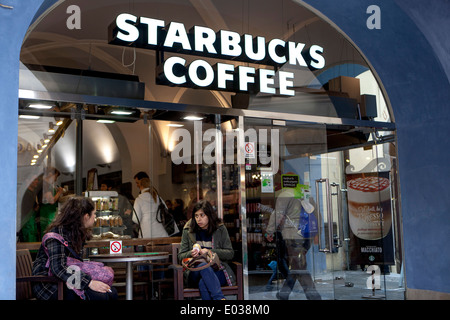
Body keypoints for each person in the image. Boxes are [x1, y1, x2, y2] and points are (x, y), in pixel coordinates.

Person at [32, 196, 118, 300]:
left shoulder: (73, 234)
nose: (95, 217)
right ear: (86, 216)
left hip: (64, 282)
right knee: (100, 296)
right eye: (94, 214)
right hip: (50, 287)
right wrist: (89, 283)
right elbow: (58, 269)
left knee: (111, 292)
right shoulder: (55, 236)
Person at [265, 184, 321, 300]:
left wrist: (269, 231)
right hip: (307, 235)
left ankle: (314, 296)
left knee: (299, 267)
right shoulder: (306, 194)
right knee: (296, 264)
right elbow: (316, 215)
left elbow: (277, 214)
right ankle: (284, 293)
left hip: (293, 235)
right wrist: (317, 234)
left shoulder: (284, 195)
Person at [178, 200, 236, 300]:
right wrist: (191, 253)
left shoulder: (220, 228)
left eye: (202, 215)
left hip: (217, 269)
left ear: (209, 215)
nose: (198, 219)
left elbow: (230, 253)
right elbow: (181, 256)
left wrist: (210, 252)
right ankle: (219, 298)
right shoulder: (188, 229)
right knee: (203, 266)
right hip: (194, 271)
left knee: (203, 283)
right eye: (196, 216)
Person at [39, 167, 65, 238]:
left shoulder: (45, 184)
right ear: (50, 175)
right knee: (48, 234)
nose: (55, 179)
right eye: (55, 177)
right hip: (47, 214)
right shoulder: (46, 185)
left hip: (47, 213)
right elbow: (51, 201)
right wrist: (59, 192)